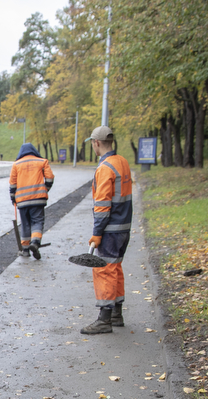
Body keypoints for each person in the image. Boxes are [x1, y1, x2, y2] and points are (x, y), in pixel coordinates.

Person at [80, 125, 133, 334]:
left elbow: (102, 205)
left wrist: (97, 233)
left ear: (96, 143)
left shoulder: (105, 168)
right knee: (116, 268)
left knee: (104, 271)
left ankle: (104, 319)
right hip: (124, 227)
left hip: (110, 228)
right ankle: (117, 314)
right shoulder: (123, 162)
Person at [9, 142, 54, 260]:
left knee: (25, 224)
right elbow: (50, 178)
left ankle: (25, 250)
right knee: (37, 221)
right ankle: (35, 242)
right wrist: (45, 189)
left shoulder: (16, 164)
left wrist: (13, 197)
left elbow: (13, 183)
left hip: (22, 200)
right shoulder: (42, 161)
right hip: (38, 199)